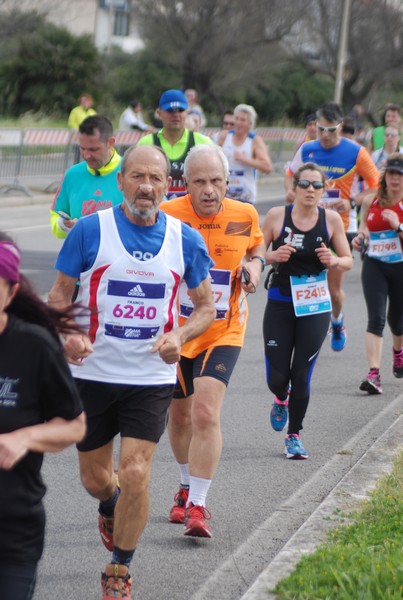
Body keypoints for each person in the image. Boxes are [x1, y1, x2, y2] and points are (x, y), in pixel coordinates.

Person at [47, 145, 216, 599]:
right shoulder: (89, 232)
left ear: (167, 185)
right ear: (120, 181)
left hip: (150, 376)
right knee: (95, 478)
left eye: (156, 179)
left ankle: (119, 567)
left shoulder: (186, 240)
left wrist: (179, 337)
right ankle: (110, 504)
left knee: (137, 472)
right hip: (92, 373)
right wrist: (67, 335)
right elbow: (59, 296)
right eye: (137, 176)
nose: (146, 186)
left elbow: (206, 307)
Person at [160, 144, 265, 538]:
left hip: (224, 329)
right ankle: (186, 484)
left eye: (216, 181)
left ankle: (199, 506)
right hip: (178, 332)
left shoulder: (244, 213)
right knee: (180, 415)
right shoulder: (169, 216)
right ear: (184, 183)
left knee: (205, 412)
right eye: (199, 181)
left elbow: (256, 245)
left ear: (227, 181)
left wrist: (254, 265)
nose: (209, 190)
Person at [0, 233, 86, 600]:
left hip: (11, 531)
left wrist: (25, 438)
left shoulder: (34, 346)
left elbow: (74, 425)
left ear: (11, 291)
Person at [263, 163, 353, 459]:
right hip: (280, 299)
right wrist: (273, 255)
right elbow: (253, 253)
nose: (310, 190)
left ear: (324, 189)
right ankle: (280, 398)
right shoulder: (278, 216)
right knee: (278, 378)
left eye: (317, 185)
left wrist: (334, 261)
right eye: (305, 184)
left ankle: (294, 434)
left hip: (314, 303)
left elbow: (348, 259)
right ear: (295, 188)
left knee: (301, 374)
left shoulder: (331, 221)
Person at [285, 102, 378, 352]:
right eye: (320, 129)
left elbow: (376, 185)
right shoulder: (307, 149)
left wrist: (351, 201)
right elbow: (289, 174)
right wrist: (290, 193)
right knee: (303, 281)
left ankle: (337, 321)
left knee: (333, 290)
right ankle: (305, 329)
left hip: (339, 227)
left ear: (341, 127)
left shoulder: (355, 152)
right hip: (305, 224)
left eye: (331, 130)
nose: (325, 136)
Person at [352, 154, 403, 394]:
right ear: (385, 176)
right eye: (392, 173)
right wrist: (361, 237)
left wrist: (399, 226)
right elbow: (364, 227)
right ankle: (374, 373)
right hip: (374, 264)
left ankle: (398, 352)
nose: (395, 178)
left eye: (400, 174)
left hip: (401, 267)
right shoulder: (371, 201)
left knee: (398, 321)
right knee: (376, 319)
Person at [50, 115, 123, 239]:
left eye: (93, 149)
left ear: (110, 142)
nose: (86, 155)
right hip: (81, 256)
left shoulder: (132, 171)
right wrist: (63, 225)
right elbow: (56, 216)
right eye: (82, 148)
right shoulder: (72, 174)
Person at [138, 89, 213, 199]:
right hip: (157, 213)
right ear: (159, 113)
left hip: (191, 213)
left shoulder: (203, 143)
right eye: (171, 110)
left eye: (180, 110)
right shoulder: (146, 144)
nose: (176, 115)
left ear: (187, 112)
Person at [217, 103, 273, 204]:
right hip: (225, 195)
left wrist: (244, 159)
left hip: (245, 197)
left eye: (242, 120)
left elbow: (267, 167)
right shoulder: (224, 137)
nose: (238, 122)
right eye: (237, 118)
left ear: (250, 124)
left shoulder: (254, 141)